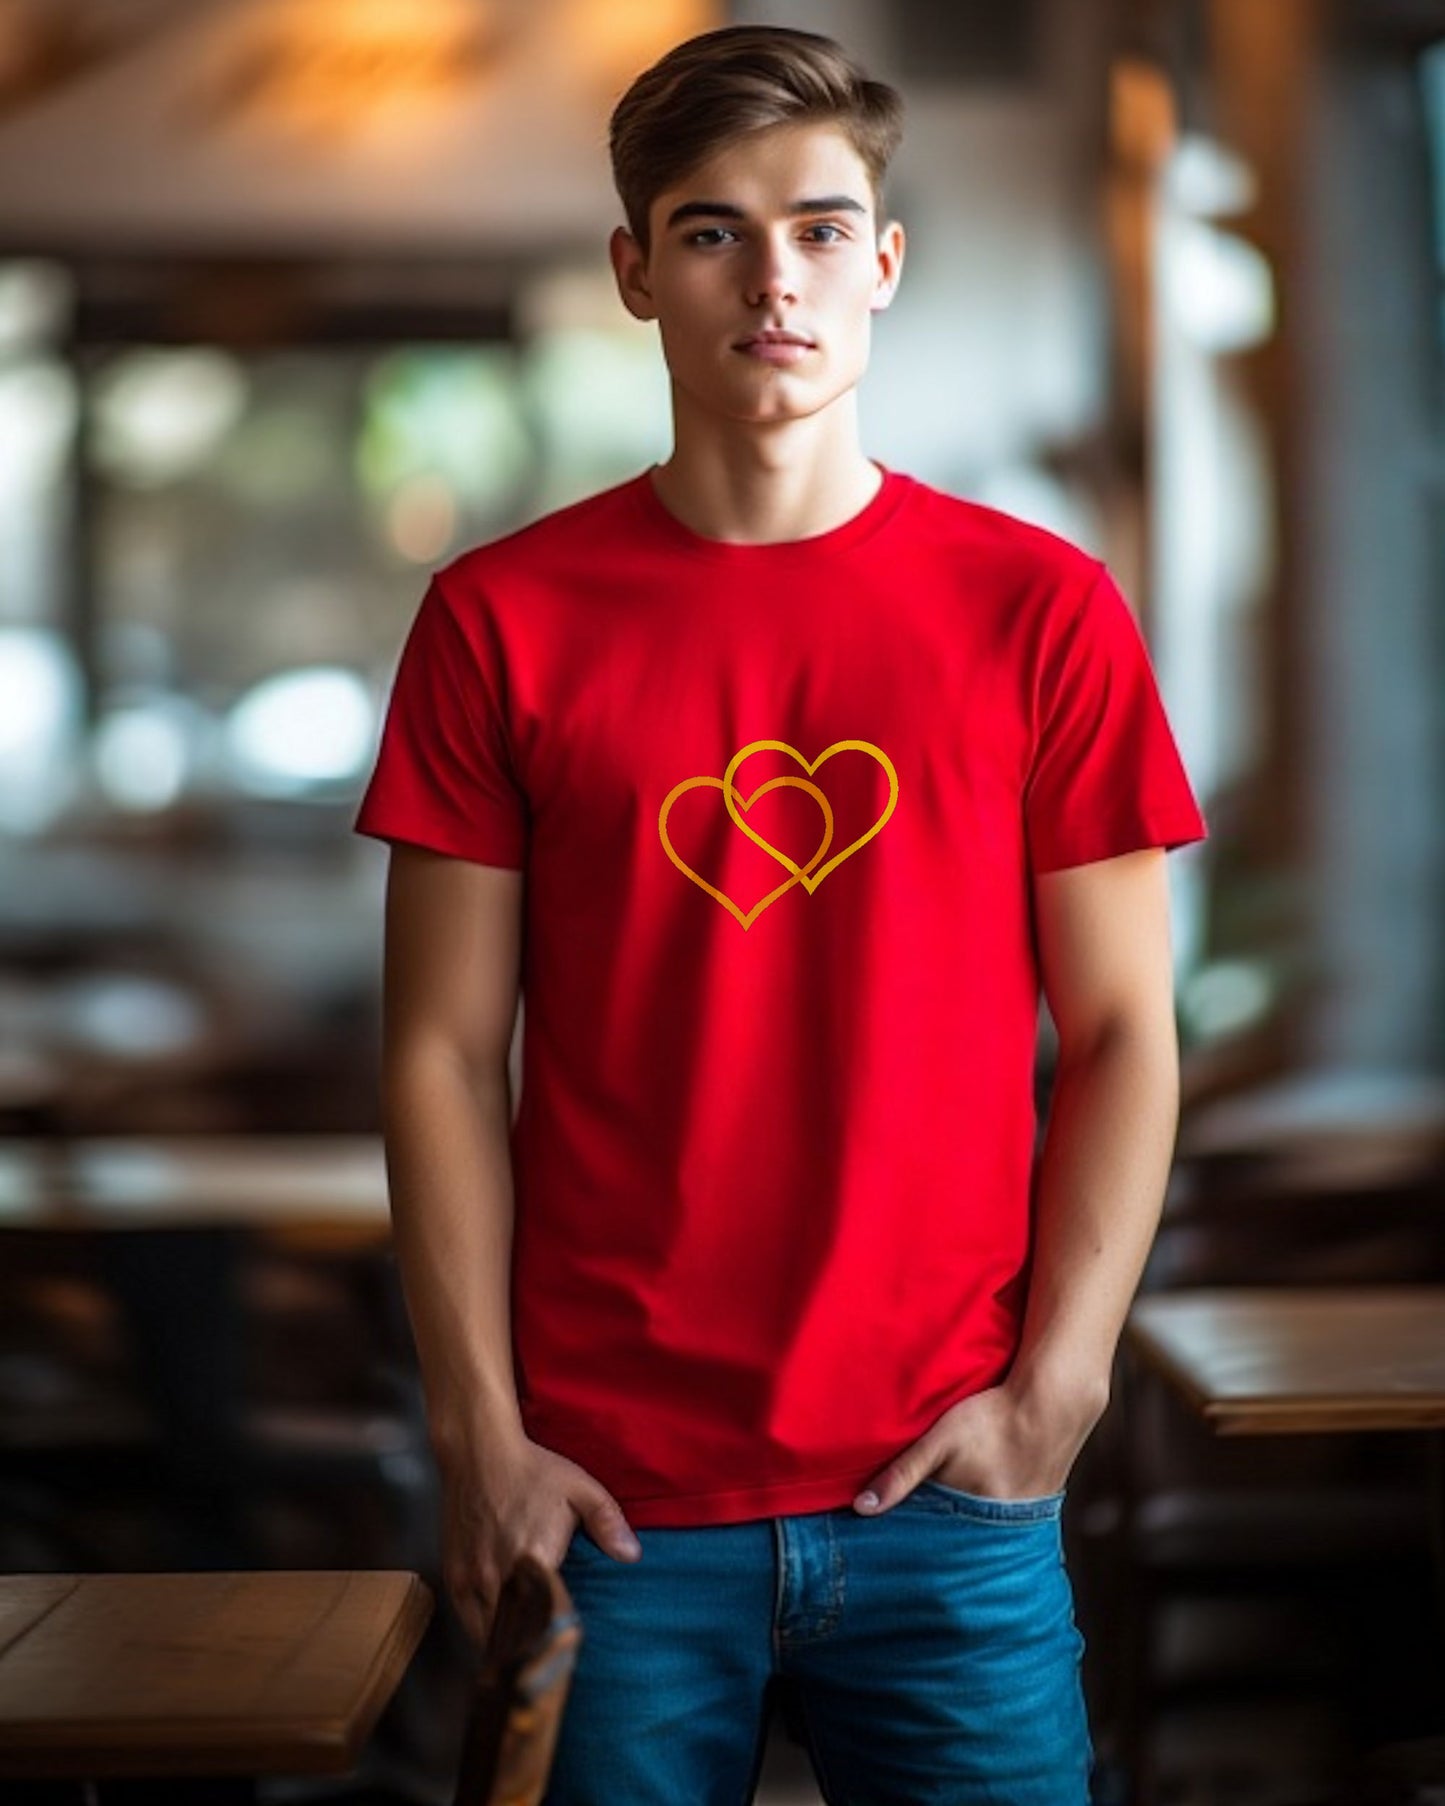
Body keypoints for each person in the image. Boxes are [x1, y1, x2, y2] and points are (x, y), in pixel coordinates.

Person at [353, 22, 1208, 1805]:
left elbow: (1127, 1031)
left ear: (883, 265)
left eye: (822, 229)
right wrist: (478, 1437)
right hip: (608, 1504)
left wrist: (1055, 1389)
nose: (775, 278)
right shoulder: (499, 621)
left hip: (950, 1493)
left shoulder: (1039, 611)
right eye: (711, 230)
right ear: (633, 271)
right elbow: (439, 1051)